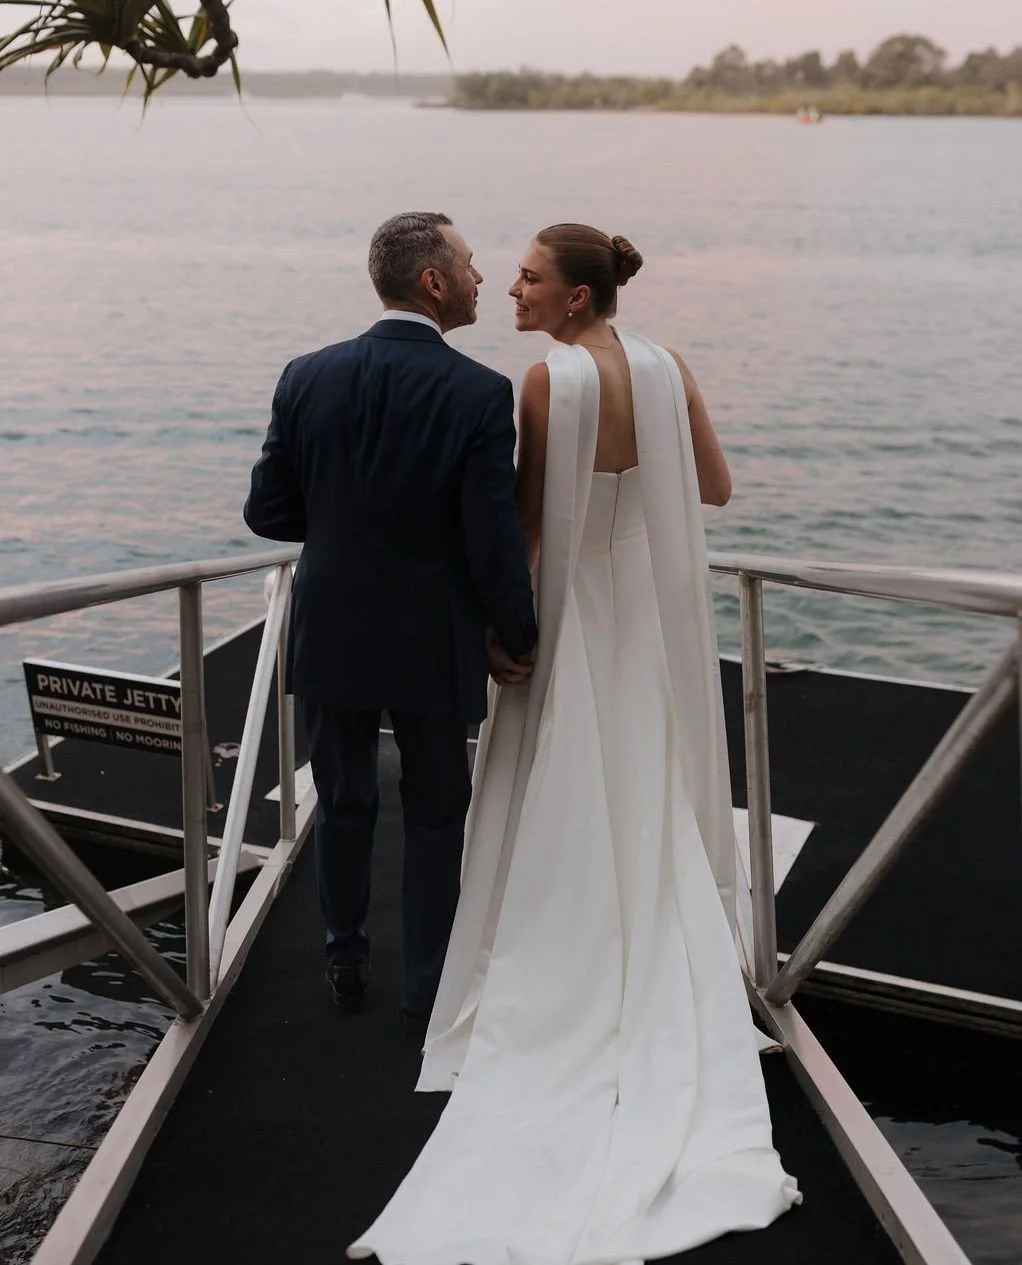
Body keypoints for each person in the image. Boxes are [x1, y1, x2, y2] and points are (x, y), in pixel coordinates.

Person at [348, 224, 800, 1263]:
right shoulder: (666, 364)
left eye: (530, 277)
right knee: (647, 774)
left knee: (560, 774)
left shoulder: (546, 382)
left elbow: (521, 521)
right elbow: (713, 490)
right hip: (645, 600)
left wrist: (504, 619)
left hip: (574, 603)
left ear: (577, 299)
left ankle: (560, 945)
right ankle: (658, 948)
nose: (509, 286)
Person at [242, 211, 538, 1036]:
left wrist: (342, 526)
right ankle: (425, 985)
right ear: (434, 281)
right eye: (473, 265)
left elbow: (268, 512)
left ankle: (343, 957)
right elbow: (493, 538)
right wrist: (519, 632)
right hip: (434, 635)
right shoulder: (480, 391)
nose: (484, 279)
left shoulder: (305, 376)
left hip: (332, 622)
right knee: (440, 808)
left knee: (341, 799)